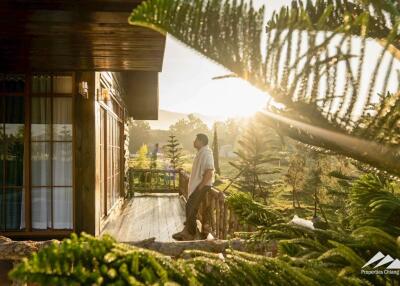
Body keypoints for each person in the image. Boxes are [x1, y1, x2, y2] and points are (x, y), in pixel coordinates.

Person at [172, 133, 214, 240]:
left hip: (202, 186)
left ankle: (189, 233)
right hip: (199, 186)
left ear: (201, 141)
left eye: (196, 140)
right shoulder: (201, 153)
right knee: (191, 208)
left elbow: (209, 172)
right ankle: (187, 231)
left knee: (190, 206)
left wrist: (200, 187)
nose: (194, 141)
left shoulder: (207, 153)